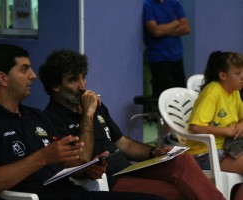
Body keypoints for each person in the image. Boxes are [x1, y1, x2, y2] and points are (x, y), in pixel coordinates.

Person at [0, 44, 165, 200]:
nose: (32, 76)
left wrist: (87, 168)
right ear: (2, 79)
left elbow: (65, 161)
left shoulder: (35, 117)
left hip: (72, 192)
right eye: (24, 69)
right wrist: (43, 157)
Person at [38, 49, 225, 200]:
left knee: (183, 160)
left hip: (129, 168)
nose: (82, 85)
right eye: (73, 80)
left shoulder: (97, 107)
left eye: (83, 77)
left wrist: (153, 152)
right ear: (55, 86)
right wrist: (87, 114)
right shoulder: (52, 119)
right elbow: (81, 161)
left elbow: (123, 143)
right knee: (174, 192)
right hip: (108, 179)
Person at [188, 51, 243, 199]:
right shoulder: (212, 92)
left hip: (229, 147)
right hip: (206, 153)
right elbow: (195, 127)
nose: (242, 77)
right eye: (237, 73)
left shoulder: (234, 91)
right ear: (223, 76)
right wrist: (225, 131)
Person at [143, 0, 191, 144]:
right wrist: (176, 23)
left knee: (180, 97)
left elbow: (187, 28)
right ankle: (164, 136)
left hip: (176, 56)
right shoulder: (148, 5)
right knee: (165, 98)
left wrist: (165, 29)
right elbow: (155, 31)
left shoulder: (174, 3)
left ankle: (180, 135)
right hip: (158, 57)